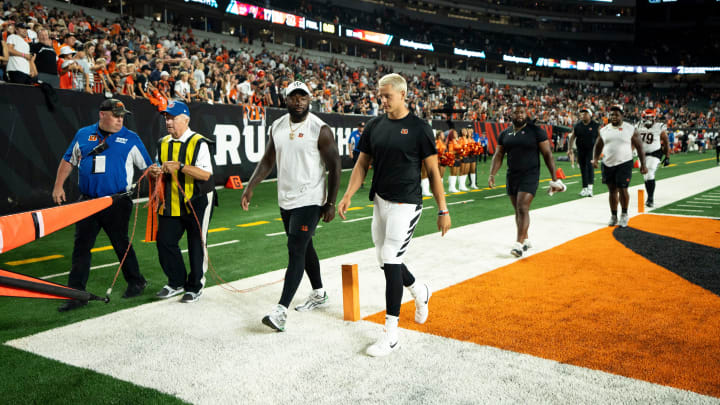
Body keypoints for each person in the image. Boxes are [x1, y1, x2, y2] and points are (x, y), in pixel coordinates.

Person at [337, 73, 451, 357]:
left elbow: (434, 172)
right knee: (385, 260)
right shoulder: (375, 125)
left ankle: (391, 335)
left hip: (407, 203)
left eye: (387, 95)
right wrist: (348, 194)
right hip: (380, 201)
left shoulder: (419, 128)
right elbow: (362, 164)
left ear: (403, 94)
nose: (382, 100)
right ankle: (419, 290)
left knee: (390, 257)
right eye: (380, 95)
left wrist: (443, 208)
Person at [241, 81, 341, 332]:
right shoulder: (277, 126)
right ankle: (319, 293)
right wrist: (250, 186)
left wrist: (330, 202)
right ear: (285, 100)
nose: (298, 101)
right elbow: (267, 160)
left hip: (310, 198)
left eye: (303, 97)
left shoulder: (320, 128)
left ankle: (281, 311)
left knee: (295, 247)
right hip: (286, 199)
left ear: (310, 99)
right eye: (294, 97)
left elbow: (335, 166)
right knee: (304, 247)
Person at [52, 99, 152, 312]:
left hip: (117, 201)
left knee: (120, 243)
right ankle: (76, 295)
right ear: (102, 114)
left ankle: (136, 281)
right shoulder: (83, 134)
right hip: (88, 200)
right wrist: (58, 186)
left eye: (122, 115)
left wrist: (155, 183)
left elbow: (148, 167)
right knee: (81, 247)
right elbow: (68, 159)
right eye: (116, 115)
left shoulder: (131, 138)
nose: (120, 119)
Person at [149, 100, 215, 304]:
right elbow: (158, 166)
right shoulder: (162, 142)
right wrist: (154, 171)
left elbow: (205, 175)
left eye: (173, 117)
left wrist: (181, 166)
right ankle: (176, 282)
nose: (168, 122)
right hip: (170, 201)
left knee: (196, 243)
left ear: (186, 119)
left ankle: (195, 286)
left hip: (197, 200)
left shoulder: (199, 142)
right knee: (165, 241)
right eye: (166, 117)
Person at [488, 104, 564, 258]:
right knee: (518, 209)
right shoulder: (505, 134)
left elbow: (547, 154)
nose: (519, 115)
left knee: (522, 206)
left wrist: (554, 178)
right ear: (511, 115)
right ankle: (526, 239)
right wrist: (492, 174)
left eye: (522, 112)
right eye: (516, 113)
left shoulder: (536, 131)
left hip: (530, 174)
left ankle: (518, 244)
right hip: (512, 175)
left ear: (526, 113)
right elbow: (498, 154)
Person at [592, 105, 647, 227]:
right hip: (607, 163)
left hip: (625, 162)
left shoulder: (630, 129)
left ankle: (624, 214)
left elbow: (639, 147)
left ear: (622, 115)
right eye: (611, 114)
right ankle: (613, 215)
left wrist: (643, 164)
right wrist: (595, 159)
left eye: (616, 114)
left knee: (623, 189)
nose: (614, 117)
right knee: (612, 190)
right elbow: (598, 145)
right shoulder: (604, 130)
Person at [636, 109, 670, 208]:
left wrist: (667, 156)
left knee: (649, 173)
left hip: (655, 153)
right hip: (642, 154)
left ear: (654, 117)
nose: (648, 119)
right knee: (646, 176)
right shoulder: (638, 126)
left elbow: (666, 141)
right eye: (646, 117)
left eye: (650, 117)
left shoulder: (659, 127)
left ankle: (650, 198)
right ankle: (649, 196)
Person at [567, 107, 600, 197]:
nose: (583, 115)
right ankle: (584, 188)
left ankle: (590, 189)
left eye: (585, 113)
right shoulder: (578, 125)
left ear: (590, 115)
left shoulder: (595, 125)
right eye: (582, 114)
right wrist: (569, 148)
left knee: (590, 168)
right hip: (580, 150)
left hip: (591, 150)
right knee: (583, 169)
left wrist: (599, 150)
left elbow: (600, 137)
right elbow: (572, 137)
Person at [348, 122, 364, 188]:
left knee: (362, 168)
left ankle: (361, 182)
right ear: (358, 127)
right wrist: (350, 152)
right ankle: (354, 182)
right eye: (361, 127)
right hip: (356, 152)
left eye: (363, 127)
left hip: (363, 153)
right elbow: (349, 143)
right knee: (355, 167)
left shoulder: (366, 133)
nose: (362, 128)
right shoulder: (354, 133)